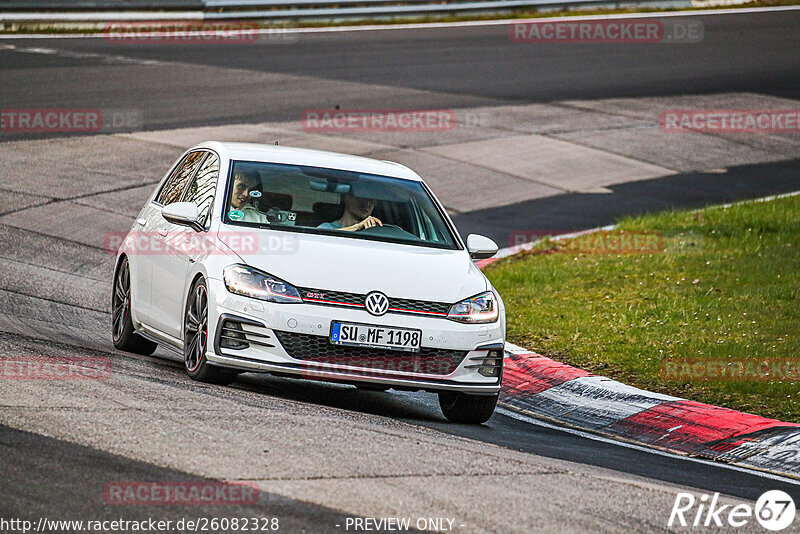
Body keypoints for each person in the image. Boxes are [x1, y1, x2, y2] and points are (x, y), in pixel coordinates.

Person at [318, 193, 382, 231]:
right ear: (347, 199)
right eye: (362, 199)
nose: (367, 205)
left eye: (371, 201)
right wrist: (357, 227)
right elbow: (321, 238)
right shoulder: (327, 227)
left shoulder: (375, 231)